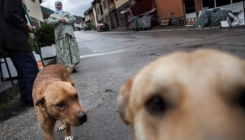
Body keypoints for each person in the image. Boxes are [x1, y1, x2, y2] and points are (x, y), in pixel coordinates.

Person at [0, 0, 39, 106]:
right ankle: (33, 99)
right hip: (15, 37)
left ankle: (25, 98)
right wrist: (26, 27)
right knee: (30, 68)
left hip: (9, 38)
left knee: (22, 71)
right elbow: (9, 13)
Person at [47, 1, 80, 73]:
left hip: (69, 34)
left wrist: (66, 21)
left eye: (60, 5)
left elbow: (73, 18)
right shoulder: (53, 15)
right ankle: (65, 67)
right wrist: (58, 20)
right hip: (60, 36)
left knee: (71, 50)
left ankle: (73, 66)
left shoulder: (66, 13)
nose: (59, 6)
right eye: (57, 5)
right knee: (63, 51)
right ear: (55, 6)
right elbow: (49, 22)